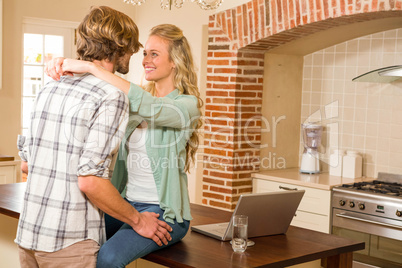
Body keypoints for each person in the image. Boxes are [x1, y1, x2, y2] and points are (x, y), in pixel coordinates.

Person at [16, 7, 172, 268]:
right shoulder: (111, 96)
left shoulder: (50, 87)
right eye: (132, 47)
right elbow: (90, 181)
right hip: (69, 243)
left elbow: (26, 165)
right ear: (119, 46)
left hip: (29, 235)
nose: (134, 54)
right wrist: (138, 220)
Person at [46, 24, 203, 268]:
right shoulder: (136, 98)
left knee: (109, 257)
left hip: (165, 212)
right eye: (144, 53)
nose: (146, 60)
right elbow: (106, 95)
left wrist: (89, 66)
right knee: (76, 237)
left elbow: (151, 107)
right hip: (128, 202)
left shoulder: (186, 105)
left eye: (154, 54)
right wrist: (66, 70)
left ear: (175, 62)